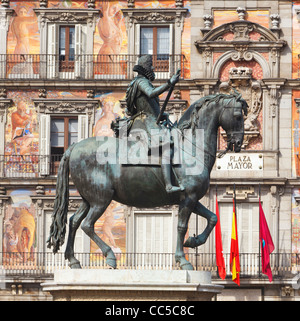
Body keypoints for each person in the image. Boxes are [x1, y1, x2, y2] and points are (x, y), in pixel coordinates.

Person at [125, 55, 182, 193]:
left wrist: (161, 115)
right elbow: (151, 94)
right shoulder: (141, 82)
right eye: (150, 66)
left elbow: (148, 105)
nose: (153, 68)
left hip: (148, 118)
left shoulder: (141, 82)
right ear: (145, 68)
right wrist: (169, 83)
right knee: (166, 145)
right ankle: (168, 185)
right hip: (144, 121)